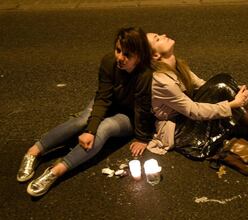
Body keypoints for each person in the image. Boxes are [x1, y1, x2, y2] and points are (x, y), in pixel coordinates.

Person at [17, 27, 155, 197]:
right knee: (81, 121)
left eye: (127, 54)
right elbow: (103, 97)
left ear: (139, 56)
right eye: (118, 50)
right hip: (110, 101)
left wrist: (142, 137)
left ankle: (56, 171)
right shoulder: (108, 62)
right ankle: (33, 152)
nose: (120, 57)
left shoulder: (145, 75)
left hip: (128, 114)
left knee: (106, 127)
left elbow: (142, 108)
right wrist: (90, 130)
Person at [145, 32, 248, 159]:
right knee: (223, 88)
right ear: (156, 55)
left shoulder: (177, 64)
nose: (163, 35)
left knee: (224, 80)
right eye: (157, 38)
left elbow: (201, 85)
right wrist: (232, 104)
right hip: (178, 129)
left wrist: (234, 88)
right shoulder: (162, 81)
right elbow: (193, 111)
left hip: (185, 116)